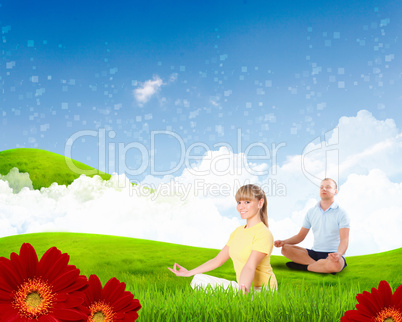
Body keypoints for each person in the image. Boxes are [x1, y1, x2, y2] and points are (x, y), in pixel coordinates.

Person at [168, 184, 277, 293]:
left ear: (260, 203)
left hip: (262, 290)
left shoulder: (263, 234)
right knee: (199, 279)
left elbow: (249, 266)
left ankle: (241, 297)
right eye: (239, 202)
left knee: (235, 295)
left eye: (247, 202)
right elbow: (217, 260)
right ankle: (238, 295)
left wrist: (243, 292)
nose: (241, 207)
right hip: (243, 287)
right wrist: (189, 272)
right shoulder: (237, 232)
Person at [274, 178, 350, 274]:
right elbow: (300, 237)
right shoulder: (311, 212)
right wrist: (283, 241)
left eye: (328, 187)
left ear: (335, 191)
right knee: (285, 248)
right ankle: (321, 267)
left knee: (336, 265)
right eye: (321, 187)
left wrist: (338, 254)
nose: (324, 189)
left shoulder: (342, 213)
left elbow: (344, 240)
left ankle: (305, 267)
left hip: (333, 255)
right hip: (314, 253)